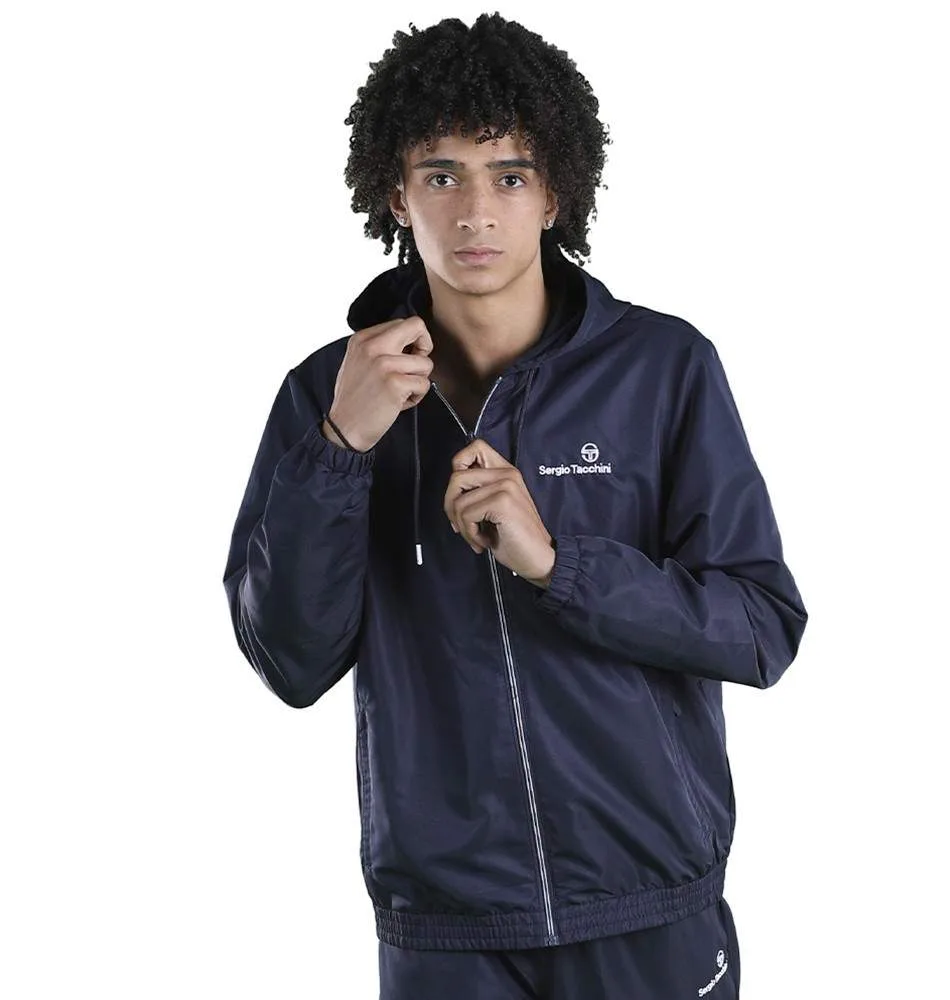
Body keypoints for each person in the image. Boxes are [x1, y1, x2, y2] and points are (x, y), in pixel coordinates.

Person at [221, 13, 808, 999]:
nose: (474, 213)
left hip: (647, 908)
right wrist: (340, 447)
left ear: (554, 194)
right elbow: (289, 661)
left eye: (509, 175)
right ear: (395, 194)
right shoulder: (328, 394)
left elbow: (760, 629)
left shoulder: (663, 369)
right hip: (446, 931)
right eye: (441, 175)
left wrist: (559, 565)